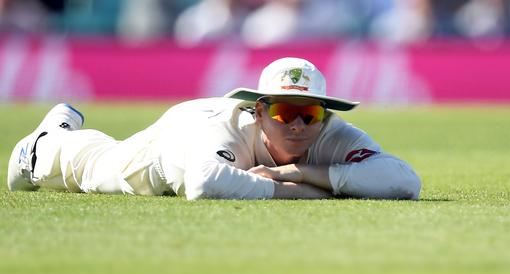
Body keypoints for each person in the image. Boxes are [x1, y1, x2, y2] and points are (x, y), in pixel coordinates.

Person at [7, 57, 421, 200]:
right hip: (180, 136)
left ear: (326, 116)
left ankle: (59, 130)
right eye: (283, 113)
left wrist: (298, 172)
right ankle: (43, 144)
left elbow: (404, 181)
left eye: (309, 114)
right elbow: (204, 183)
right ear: (259, 111)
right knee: (101, 171)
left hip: (236, 153)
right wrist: (300, 194)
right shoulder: (222, 129)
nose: (297, 125)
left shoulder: (332, 134)